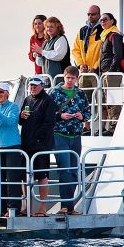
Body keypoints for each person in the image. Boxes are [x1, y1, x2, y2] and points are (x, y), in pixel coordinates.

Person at [50, 66, 91, 215]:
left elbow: (88, 112)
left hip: (76, 135)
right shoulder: (54, 92)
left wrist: (82, 117)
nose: (70, 81)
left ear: (77, 79)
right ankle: (65, 206)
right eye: (68, 77)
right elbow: (47, 113)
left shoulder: (80, 93)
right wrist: (60, 116)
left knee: (73, 171)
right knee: (64, 171)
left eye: (73, 78)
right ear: (64, 77)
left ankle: (69, 206)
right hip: (60, 135)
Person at [0, 82, 24, 217]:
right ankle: (0, 208)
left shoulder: (14, 106)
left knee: (12, 179)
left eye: (1, 92)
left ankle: (13, 209)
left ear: (7, 93)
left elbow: (10, 122)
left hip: (12, 146)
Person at [19, 76, 56, 217]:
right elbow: (21, 122)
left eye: (35, 85)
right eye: (30, 86)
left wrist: (37, 136)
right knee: (24, 175)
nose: (32, 88)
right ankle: (26, 206)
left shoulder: (48, 101)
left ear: (42, 86)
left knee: (42, 175)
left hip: (41, 145)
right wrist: (21, 116)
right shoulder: (27, 99)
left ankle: (42, 207)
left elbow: (50, 123)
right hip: (26, 144)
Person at [72, 5, 103, 135]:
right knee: (85, 100)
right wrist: (80, 64)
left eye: (94, 14)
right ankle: (87, 126)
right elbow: (76, 50)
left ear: (99, 15)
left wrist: (95, 66)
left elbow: (104, 51)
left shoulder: (103, 30)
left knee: (102, 99)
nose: (91, 16)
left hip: (98, 72)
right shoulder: (82, 30)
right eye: (89, 14)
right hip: (85, 73)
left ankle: (102, 127)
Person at [99, 12, 124, 136]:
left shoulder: (114, 35)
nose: (102, 22)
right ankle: (111, 125)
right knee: (108, 100)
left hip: (112, 73)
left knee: (114, 100)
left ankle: (114, 127)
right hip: (106, 73)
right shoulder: (105, 36)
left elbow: (117, 54)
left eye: (105, 19)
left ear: (112, 21)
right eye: (101, 20)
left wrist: (111, 70)